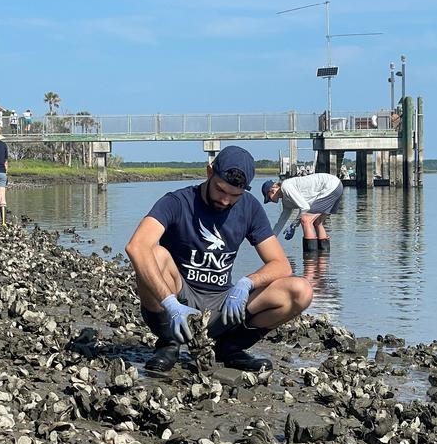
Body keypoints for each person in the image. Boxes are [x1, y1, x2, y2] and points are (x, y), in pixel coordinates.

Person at [126, 145, 312, 373]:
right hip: (178, 299)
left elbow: (281, 264)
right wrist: (170, 303)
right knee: (155, 253)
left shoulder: (249, 208)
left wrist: (247, 283)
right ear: (209, 172)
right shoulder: (178, 202)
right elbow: (136, 246)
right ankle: (168, 343)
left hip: (223, 304)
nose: (225, 200)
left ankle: (229, 348)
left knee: (300, 290)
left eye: (234, 195)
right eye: (220, 190)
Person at [261, 173, 344, 245]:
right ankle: (323, 257)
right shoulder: (286, 201)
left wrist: (294, 225)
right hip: (337, 185)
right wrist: (272, 239)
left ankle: (310, 259)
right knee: (317, 222)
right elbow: (281, 220)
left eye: (268, 198)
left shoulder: (285, 186)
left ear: (272, 190)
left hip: (330, 186)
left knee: (305, 220)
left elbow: (305, 207)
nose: (270, 201)